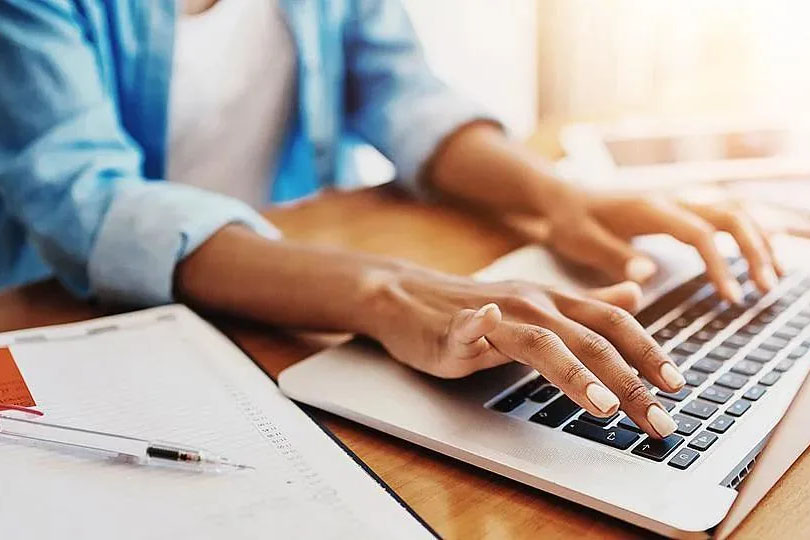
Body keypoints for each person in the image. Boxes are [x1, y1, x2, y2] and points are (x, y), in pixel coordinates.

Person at [0, 0, 788, 440]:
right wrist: (389, 293)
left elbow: (402, 89)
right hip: (83, 318)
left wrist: (557, 197)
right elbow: (84, 195)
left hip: (290, 297)